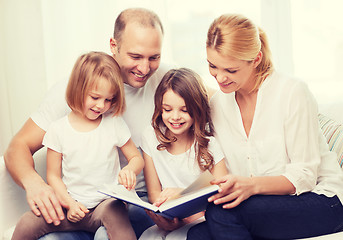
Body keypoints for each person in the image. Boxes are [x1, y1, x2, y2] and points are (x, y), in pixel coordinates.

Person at [4, 8, 166, 240]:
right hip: (75, 202)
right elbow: (17, 147)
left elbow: (206, 96)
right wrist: (35, 184)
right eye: (136, 56)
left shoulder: (164, 80)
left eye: (154, 57)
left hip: (129, 201)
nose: (144, 68)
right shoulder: (73, 91)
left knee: (106, 232)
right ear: (113, 45)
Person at [186, 13, 343, 240]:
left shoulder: (292, 92)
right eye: (213, 66)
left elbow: (305, 176)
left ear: (256, 59)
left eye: (231, 70)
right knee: (198, 235)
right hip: (265, 205)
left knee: (221, 214)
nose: (220, 78)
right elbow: (220, 169)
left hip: (323, 200)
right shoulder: (218, 105)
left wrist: (250, 186)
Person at [11, 51, 143, 240]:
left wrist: (130, 169)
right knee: (27, 222)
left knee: (116, 213)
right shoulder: (58, 129)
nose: (101, 106)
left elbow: (136, 158)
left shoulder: (113, 123)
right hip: (70, 205)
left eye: (108, 99)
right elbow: (53, 176)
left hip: (105, 205)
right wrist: (69, 204)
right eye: (95, 97)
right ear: (78, 89)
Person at [139, 68, 228, 240]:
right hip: (169, 218)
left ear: (197, 109)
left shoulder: (211, 145)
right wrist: (165, 216)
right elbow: (154, 194)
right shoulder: (150, 136)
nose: (175, 117)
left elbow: (221, 195)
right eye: (167, 109)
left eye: (184, 110)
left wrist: (181, 195)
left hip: (202, 220)